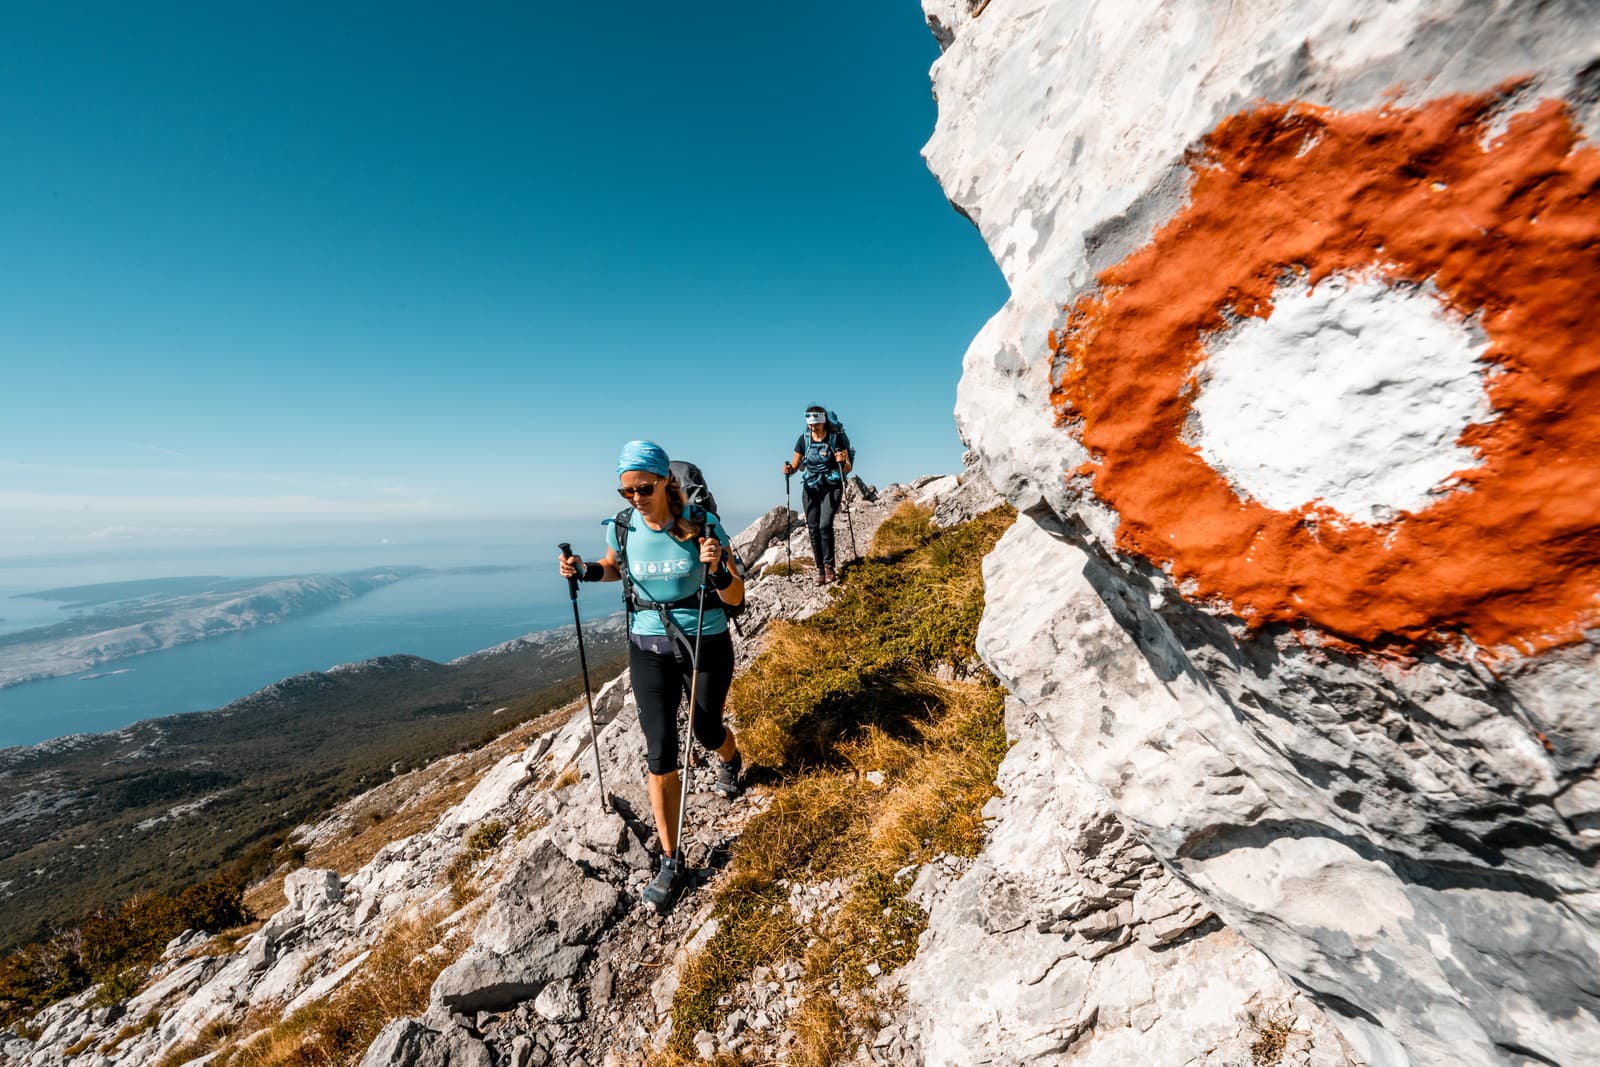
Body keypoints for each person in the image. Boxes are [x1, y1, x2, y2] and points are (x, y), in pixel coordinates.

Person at [558, 440, 744, 907]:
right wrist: (582, 569)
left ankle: (730, 757)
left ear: (665, 482)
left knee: (704, 729)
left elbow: (737, 597)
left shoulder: (702, 525)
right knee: (660, 752)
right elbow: (612, 569)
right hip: (647, 647)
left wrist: (718, 569)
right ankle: (671, 859)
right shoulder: (622, 528)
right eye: (626, 491)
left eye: (643, 488)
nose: (635, 498)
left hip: (704, 640)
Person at [782, 405, 853, 585]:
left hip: (832, 486)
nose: (813, 428)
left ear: (823, 422)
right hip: (811, 487)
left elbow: (848, 468)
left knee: (824, 525)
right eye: (810, 425)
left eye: (816, 425)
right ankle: (820, 569)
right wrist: (789, 470)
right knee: (813, 528)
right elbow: (796, 465)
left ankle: (829, 567)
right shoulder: (804, 439)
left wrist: (842, 461)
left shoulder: (837, 439)